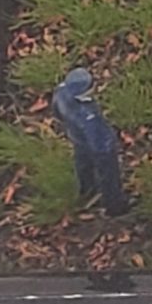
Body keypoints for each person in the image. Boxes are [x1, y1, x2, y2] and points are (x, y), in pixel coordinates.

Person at [49, 67, 131, 216]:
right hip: (100, 148)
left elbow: (56, 111)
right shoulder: (88, 114)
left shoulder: (61, 92)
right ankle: (115, 205)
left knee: (82, 164)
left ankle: (87, 191)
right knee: (109, 176)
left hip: (76, 137)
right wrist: (107, 148)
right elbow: (99, 139)